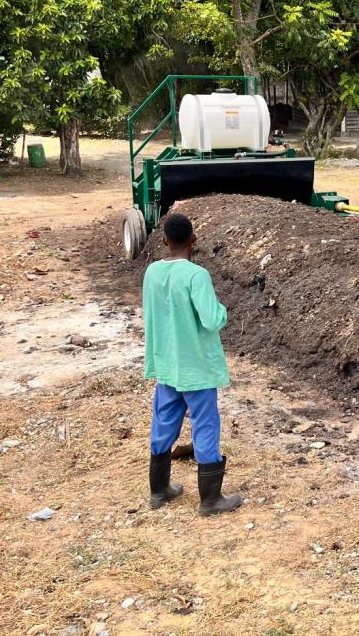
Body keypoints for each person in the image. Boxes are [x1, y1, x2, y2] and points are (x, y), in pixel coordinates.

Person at [142, 212, 243, 516]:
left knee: (163, 422)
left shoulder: (152, 273)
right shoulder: (196, 275)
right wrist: (223, 309)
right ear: (193, 240)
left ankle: (159, 491)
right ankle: (210, 499)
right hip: (195, 367)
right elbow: (212, 319)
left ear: (164, 241)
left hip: (167, 364)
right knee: (205, 425)